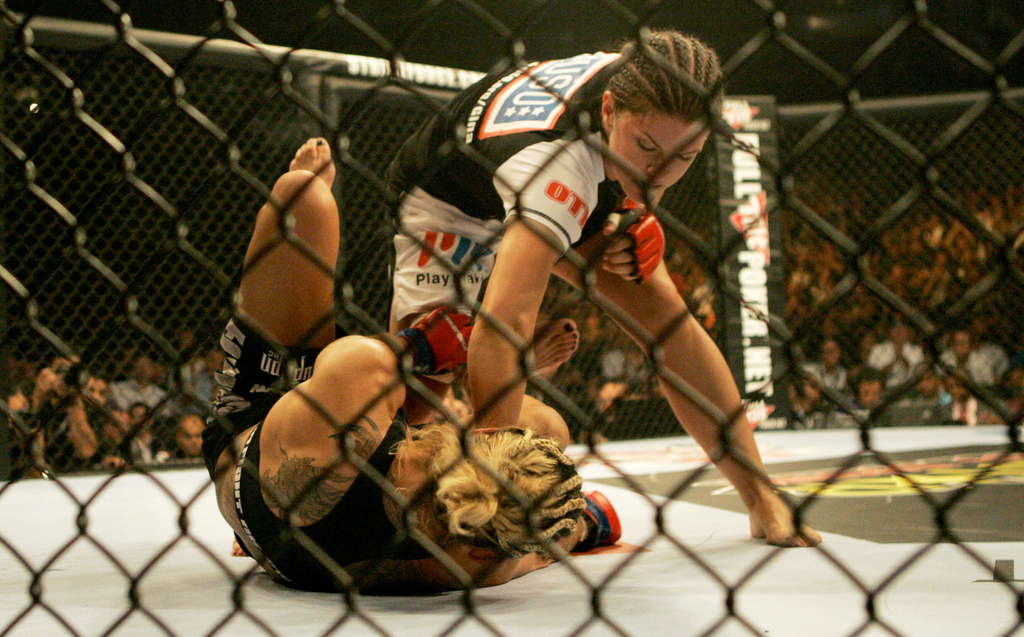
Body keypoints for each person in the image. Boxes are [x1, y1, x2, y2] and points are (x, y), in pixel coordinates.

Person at [386, 29, 820, 547]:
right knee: (418, 400)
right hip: (449, 201)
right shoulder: (559, 166)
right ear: (610, 110)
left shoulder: (658, 82)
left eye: (685, 157)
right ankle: (488, 490)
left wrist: (630, 212)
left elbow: (650, 164)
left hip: (557, 166)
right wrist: (493, 478)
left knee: (665, 316)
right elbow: (505, 322)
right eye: (647, 148)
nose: (659, 173)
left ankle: (760, 495)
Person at [203, 139, 619, 593]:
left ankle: (464, 366)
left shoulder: (354, 390)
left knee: (303, 197)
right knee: (549, 429)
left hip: (257, 423)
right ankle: (470, 373)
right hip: (300, 534)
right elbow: (543, 546)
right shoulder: (481, 562)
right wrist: (584, 525)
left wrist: (419, 347)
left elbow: (350, 364)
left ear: (481, 435)